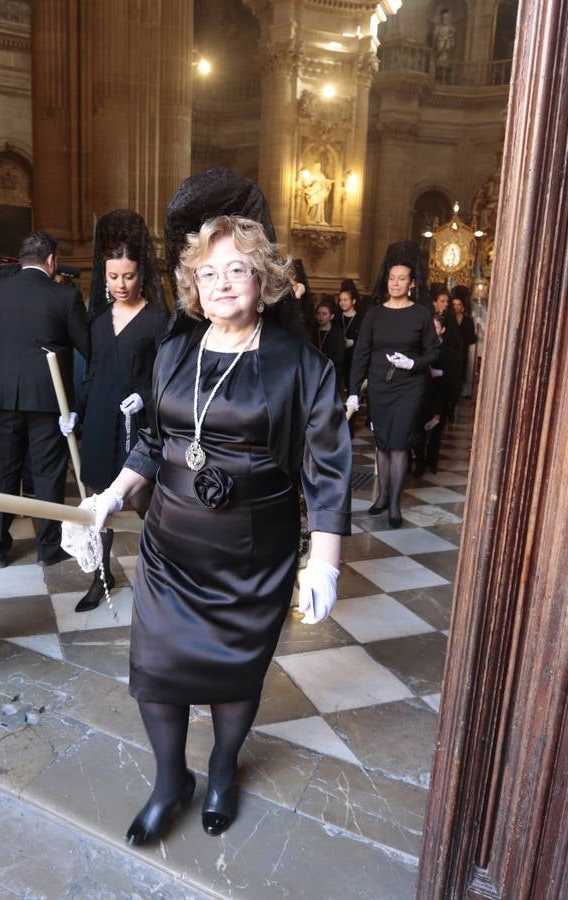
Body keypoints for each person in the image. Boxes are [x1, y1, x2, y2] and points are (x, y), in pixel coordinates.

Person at [85, 204, 351, 846]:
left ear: (265, 281)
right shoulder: (174, 351)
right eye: (209, 274)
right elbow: (152, 441)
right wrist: (111, 495)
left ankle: (224, 769)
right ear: (193, 288)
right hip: (170, 543)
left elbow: (327, 465)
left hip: (251, 553)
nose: (223, 283)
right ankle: (170, 779)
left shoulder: (299, 363)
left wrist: (325, 560)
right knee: (154, 667)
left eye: (238, 270)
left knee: (235, 673)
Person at [0, 232, 90, 567]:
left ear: (21, 259)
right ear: (51, 259)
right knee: (48, 473)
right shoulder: (65, 295)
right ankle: (48, 549)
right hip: (49, 398)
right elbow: (86, 345)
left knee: (2, 473)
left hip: (1, 396)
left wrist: (0, 373)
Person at [67, 209, 167, 613]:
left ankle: (162, 573)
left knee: (146, 503)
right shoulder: (97, 320)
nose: (120, 284)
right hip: (97, 424)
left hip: (137, 428)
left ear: (141, 274)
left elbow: (164, 377)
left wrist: (144, 395)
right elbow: (91, 373)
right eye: (113, 276)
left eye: (127, 275)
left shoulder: (159, 320)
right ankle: (100, 575)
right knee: (98, 503)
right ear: (103, 276)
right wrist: (74, 411)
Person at [346, 242, 440, 528]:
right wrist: (352, 393)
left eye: (402, 278)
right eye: (392, 277)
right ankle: (383, 496)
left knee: (399, 444)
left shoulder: (421, 314)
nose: (396, 282)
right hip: (379, 387)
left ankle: (395, 503)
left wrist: (414, 364)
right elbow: (361, 353)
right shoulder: (374, 314)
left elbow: (433, 351)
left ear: (411, 283)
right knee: (383, 444)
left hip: (409, 388)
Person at [416, 309, 462, 477]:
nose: (432, 331)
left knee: (436, 432)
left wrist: (439, 374)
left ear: (442, 330)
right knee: (419, 430)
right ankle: (419, 463)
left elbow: (454, 374)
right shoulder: (422, 347)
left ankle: (432, 462)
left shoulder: (449, 350)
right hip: (424, 394)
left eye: (436, 327)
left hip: (441, 394)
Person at [336, 279, 364, 396]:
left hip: (353, 358)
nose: (342, 303)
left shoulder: (361, 318)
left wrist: (354, 342)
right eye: (340, 300)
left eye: (345, 300)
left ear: (353, 301)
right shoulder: (336, 317)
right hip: (338, 357)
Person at [310, 297, 345, 375]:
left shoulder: (338, 334)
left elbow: (339, 357)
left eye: (324, 314)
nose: (321, 316)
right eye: (319, 313)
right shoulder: (312, 332)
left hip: (331, 371)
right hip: (314, 370)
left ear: (331, 316)